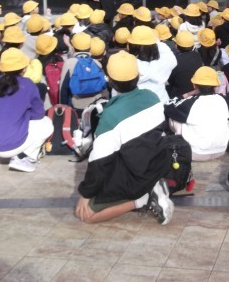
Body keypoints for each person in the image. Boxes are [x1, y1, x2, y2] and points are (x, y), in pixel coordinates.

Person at [75, 50, 175, 224]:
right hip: (157, 164)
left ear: (108, 79)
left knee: (86, 215)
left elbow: (99, 163)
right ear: (138, 75)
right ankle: (153, 186)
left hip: (136, 174)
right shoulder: (152, 97)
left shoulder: (111, 116)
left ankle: (144, 199)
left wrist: (86, 194)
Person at [0, 48, 53, 172]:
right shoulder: (27, 84)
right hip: (11, 146)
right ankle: (23, 158)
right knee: (46, 124)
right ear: (24, 68)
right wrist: (24, 115)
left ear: (1, 68)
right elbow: (38, 114)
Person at [165, 66, 229, 161]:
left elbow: (168, 106)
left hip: (194, 152)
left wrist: (186, 95)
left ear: (194, 85)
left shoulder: (190, 103)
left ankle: (177, 142)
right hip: (221, 150)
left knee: (175, 118)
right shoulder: (223, 99)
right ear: (216, 86)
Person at [127, 25, 177, 103]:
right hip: (162, 101)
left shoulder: (129, 66)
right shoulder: (164, 60)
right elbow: (165, 50)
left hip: (140, 104)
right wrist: (151, 40)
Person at [167, 30, 203, 98]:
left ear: (176, 46)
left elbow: (170, 80)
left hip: (180, 95)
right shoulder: (197, 56)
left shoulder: (174, 61)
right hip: (196, 92)